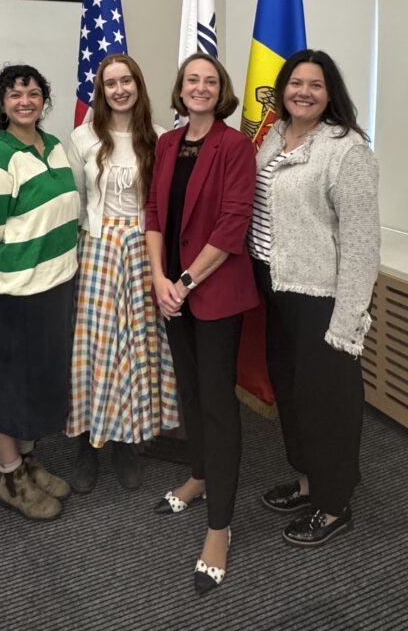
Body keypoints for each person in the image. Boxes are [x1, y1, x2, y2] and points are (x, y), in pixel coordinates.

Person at [248, 49, 380, 547]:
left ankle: (333, 503)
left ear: (330, 94)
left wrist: (348, 319)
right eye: (295, 82)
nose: (303, 91)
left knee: (329, 404)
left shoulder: (346, 150)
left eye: (315, 85)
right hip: (277, 291)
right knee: (295, 395)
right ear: (282, 88)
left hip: (323, 297)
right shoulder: (274, 137)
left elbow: (363, 242)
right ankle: (308, 482)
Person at [146, 52, 258, 596]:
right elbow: (153, 214)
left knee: (216, 402)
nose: (200, 87)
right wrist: (158, 280)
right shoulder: (166, 144)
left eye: (210, 81)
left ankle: (221, 527)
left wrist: (185, 282)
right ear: (180, 87)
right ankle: (199, 473)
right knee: (189, 391)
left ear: (222, 91)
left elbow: (234, 222)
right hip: (171, 291)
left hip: (213, 294)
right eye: (191, 79)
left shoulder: (236, 146)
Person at [0, 64, 79, 522]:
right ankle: (10, 474)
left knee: (43, 378)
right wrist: (4, 276)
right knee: (13, 383)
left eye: (33, 93)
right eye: (15, 94)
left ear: (43, 100)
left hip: (58, 282)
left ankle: (30, 461)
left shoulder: (53, 146)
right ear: (2, 103)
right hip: (21, 291)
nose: (25, 101)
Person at [66, 54, 178, 493]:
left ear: (138, 84)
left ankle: (128, 441)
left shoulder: (160, 138)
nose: (119, 89)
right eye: (110, 83)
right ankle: (86, 443)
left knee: (138, 344)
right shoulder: (82, 138)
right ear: (101, 90)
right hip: (97, 246)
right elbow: (74, 199)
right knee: (94, 345)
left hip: (143, 246)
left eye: (126, 80)